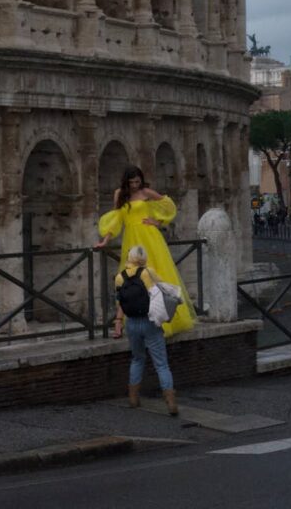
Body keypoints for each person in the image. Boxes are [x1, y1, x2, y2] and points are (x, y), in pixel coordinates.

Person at [94, 165, 196, 337]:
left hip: (150, 236)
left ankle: (164, 320)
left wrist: (158, 223)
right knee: (128, 279)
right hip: (131, 238)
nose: (135, 185)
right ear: (126, 181)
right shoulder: (119, 194)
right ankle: (121, 323)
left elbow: (169, 205)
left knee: (156, 274)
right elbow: (116, 218)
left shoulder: (146, 192)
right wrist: (105, 240)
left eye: (137, 181)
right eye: (132, 182)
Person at [115, 245, 178, 415]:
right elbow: (163, 291)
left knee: (137, 359)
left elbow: (119, 302)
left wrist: (118, 322)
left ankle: (133, 398)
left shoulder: (119, 277)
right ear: (143, 258)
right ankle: (170, 401)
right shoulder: (148, 273)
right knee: (161, 364)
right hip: (150, 322)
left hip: (132, 323)